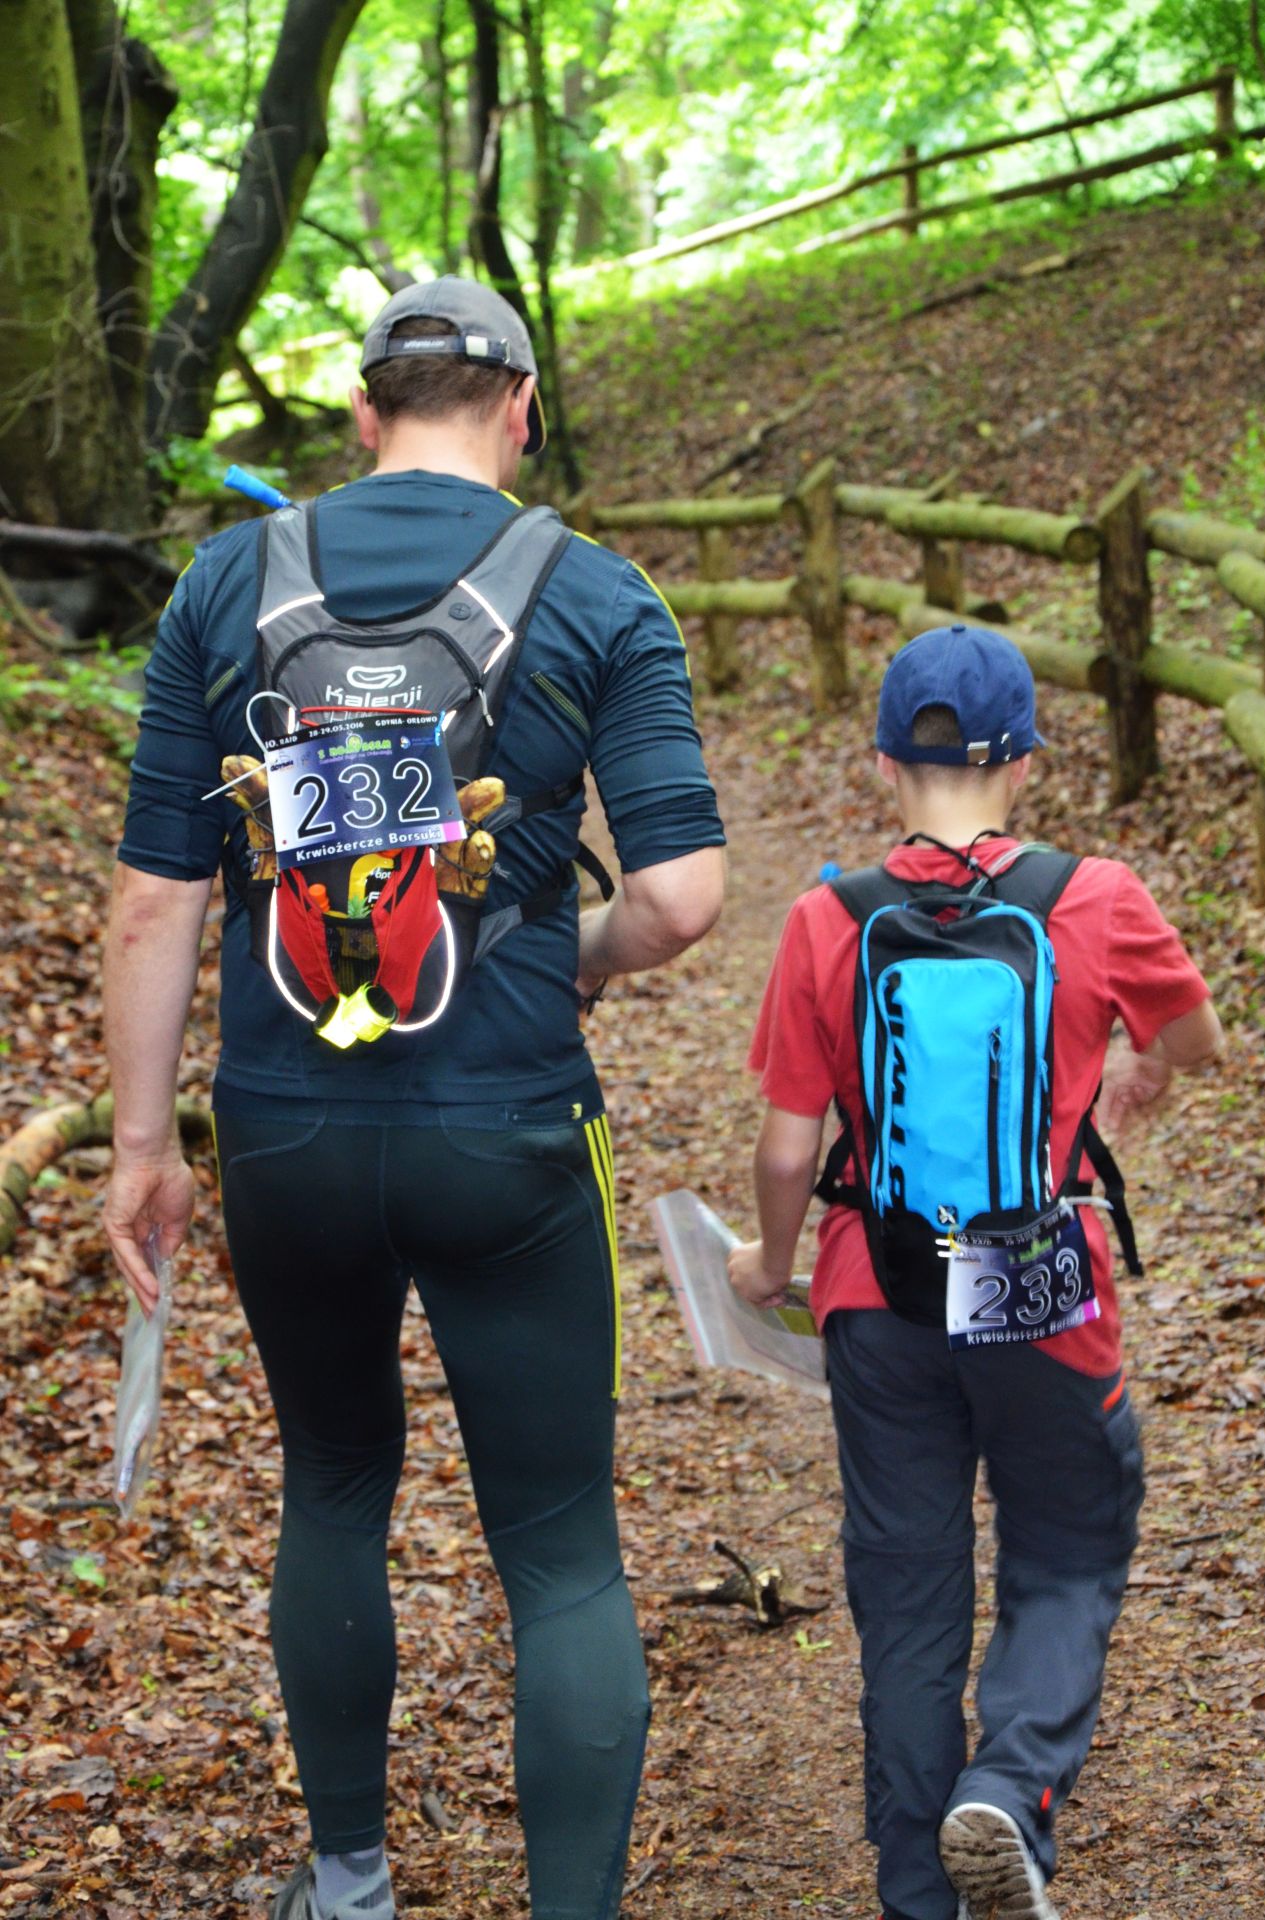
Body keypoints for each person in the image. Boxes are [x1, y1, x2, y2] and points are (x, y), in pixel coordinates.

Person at [102, 275, 726, 1920]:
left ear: (365, 414)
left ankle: (352, 1884)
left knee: (330, 1487)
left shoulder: (227, 583)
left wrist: (148, 1146)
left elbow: (157, 896)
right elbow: (681, 899)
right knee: (560, 1549)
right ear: (520, 411)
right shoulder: (598, 595)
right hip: (510, 1126)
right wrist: (568, 954)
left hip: (287, 1130)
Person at [727, 624, 1222, 1920]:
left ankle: (917, 1888)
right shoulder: (1094, 897)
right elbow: (1199, 1037)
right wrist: (1144, 1063)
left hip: (876, 1288)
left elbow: (788, 1148)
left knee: (905, 1593)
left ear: (884, 762)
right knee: (1067, 1542)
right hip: (1039, 1281)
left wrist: (765, 1262)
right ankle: (1009, 1785)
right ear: (1025, 763)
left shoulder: (827, 919)